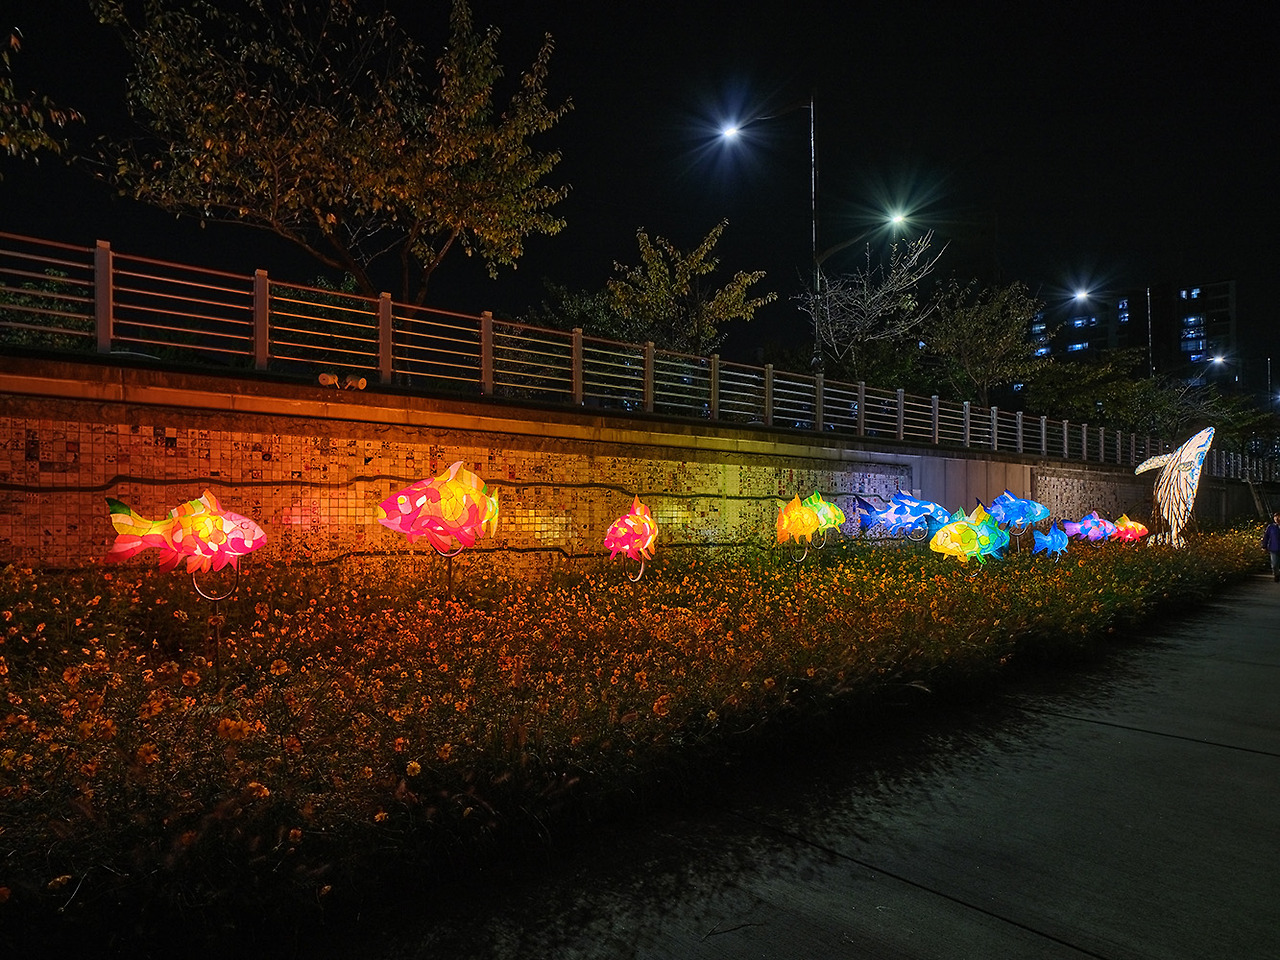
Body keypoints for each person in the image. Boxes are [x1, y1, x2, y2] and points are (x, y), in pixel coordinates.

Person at [1263, 512, 1280, 582]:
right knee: (1274, 564)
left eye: (1278, 517)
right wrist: (1264, 545)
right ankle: (1276, 574)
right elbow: (1266, 536)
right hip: (1274, 548)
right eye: (1275, 517)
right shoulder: (1271, 527)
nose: (1277, 518)